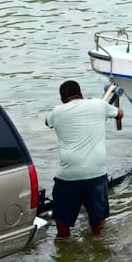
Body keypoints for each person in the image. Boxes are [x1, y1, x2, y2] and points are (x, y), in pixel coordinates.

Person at [45, 80, 122, 239]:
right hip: (95, 173)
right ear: (81, 94)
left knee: (62, 226)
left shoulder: (56, 112)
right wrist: (112, 110)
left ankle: (63, 244)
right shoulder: (98, 105)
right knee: (98, 223)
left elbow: (47, 122)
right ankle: (97, 242)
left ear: (62, 99)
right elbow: (119, 114)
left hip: (68, 176)